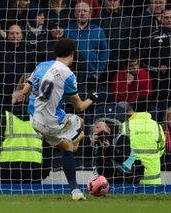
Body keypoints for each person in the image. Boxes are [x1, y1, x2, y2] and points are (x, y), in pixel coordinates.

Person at [11, 38, 96, 200]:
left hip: (35, 120)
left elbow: (25, 90)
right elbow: (79, 107)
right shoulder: (69, 75)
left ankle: (75, 187)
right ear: (72, 54)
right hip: (53, 122)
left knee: (67, 147)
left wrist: (20, 95)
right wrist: (92, 98)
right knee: (81, 121)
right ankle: (75, 188)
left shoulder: (41, 66)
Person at [121, 103, 166, 185]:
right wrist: (151, 156)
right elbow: (162, 147)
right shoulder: (156, 125)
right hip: (153, 179)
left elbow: (119, 149)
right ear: (148, 110)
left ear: (133, 109)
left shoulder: (124, 125)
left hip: (130, 179)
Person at [91, 117, 143, 184]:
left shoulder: (122, 138)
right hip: (105, 178)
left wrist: (109, 148)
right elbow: (87, 159)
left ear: (108, 128)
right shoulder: (97, 141)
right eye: (95, 127)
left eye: (98, 127)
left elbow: (122, 157)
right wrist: (90, 146)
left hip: (126, 177)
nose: (95, 129)